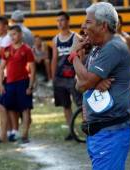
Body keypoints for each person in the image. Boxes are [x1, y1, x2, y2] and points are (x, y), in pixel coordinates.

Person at [67, 2, 130, 169]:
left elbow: (85, 82)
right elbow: (79, 85)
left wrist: (73, 55)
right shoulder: (97, 50)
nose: (82, 27)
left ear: (103, 26)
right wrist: (92, 82)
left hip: (110, 132)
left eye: (88, 22)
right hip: (100, 132)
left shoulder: (113, 48)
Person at [0, 25, 36, 143]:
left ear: (20, 34)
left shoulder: (26, 49)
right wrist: (0, 84)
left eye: (14, 34)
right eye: (10, 34)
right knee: (2, 106)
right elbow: (2, 68)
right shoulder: (6, 49)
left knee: (25, 109)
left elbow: (32, 69)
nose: (12, 37)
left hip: (23, 83)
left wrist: (30, 85)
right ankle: (2, 135)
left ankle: (24, 135)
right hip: (9, 83)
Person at [51, 11, 82, 141]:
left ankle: (87, 128)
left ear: (68, 21)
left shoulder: (76, 37)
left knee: (80, 104)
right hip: (60, 77)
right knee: (66, 105)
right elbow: (54, 59)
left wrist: (80, 75)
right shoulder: (55, 39)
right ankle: (71, 130)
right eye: (58, 20)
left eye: (62, 20)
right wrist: (52, 77)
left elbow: (80, 57)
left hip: (73, 76)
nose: (60, 23)